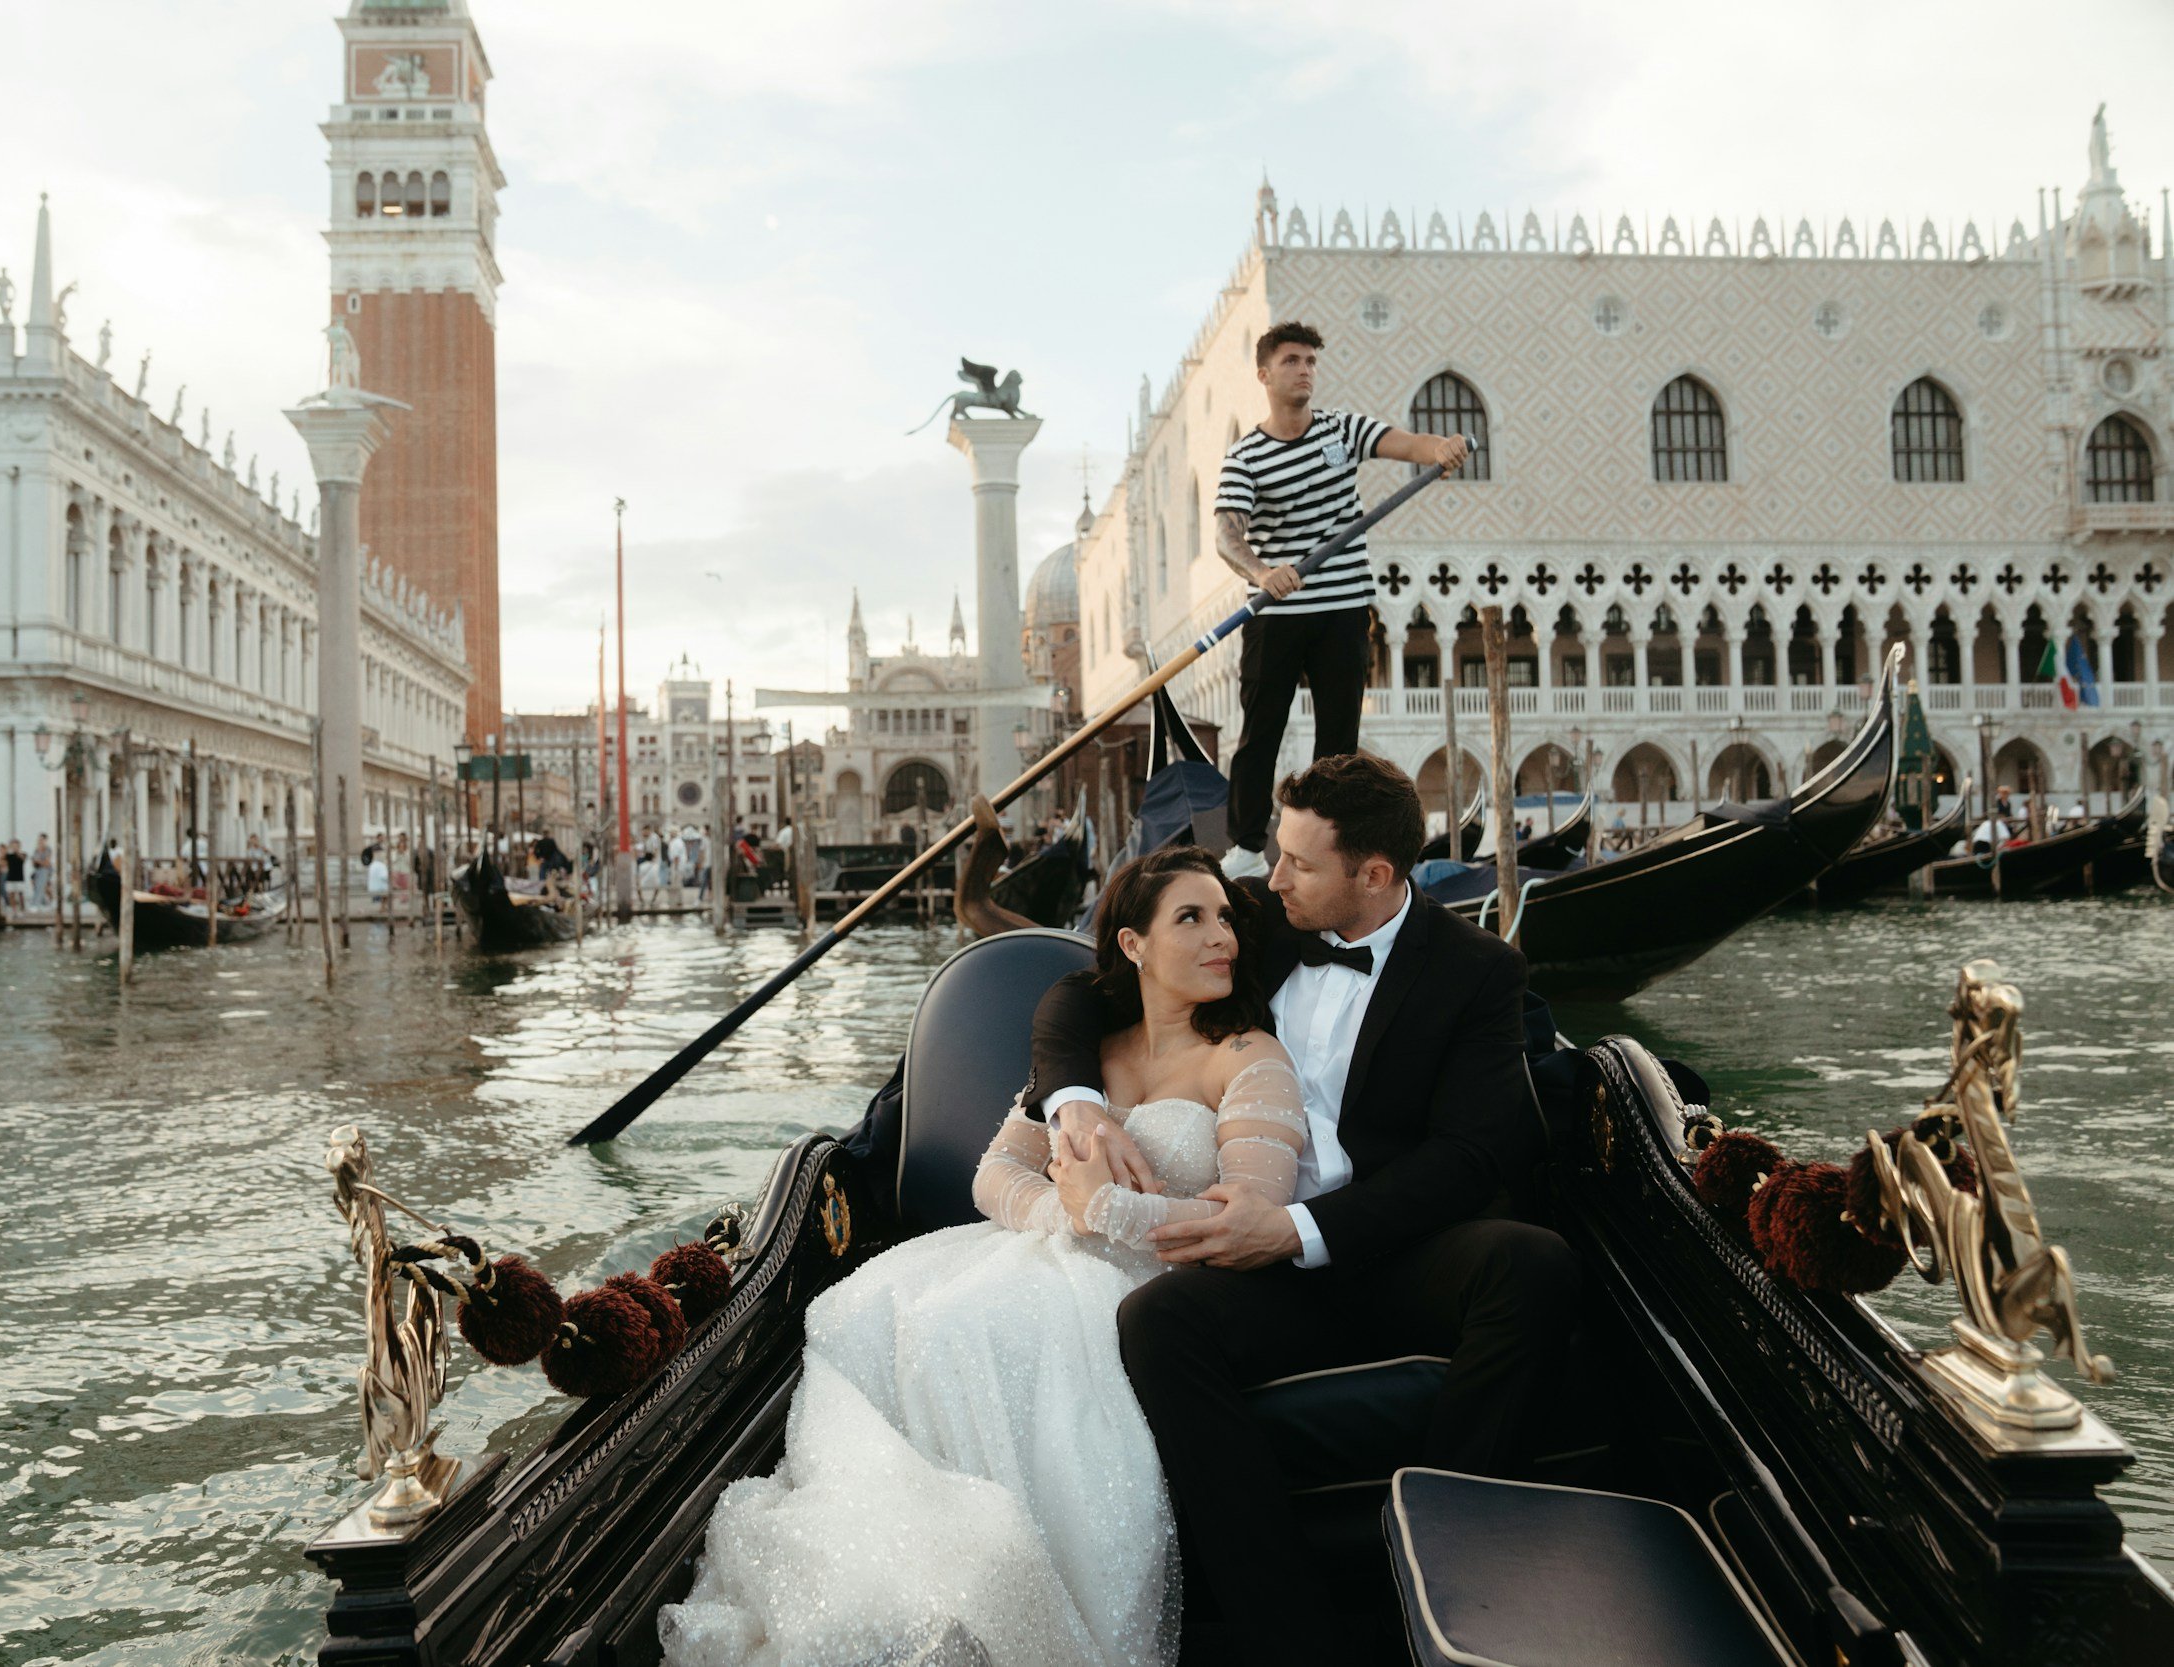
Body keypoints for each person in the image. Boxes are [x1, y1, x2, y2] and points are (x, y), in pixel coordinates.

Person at [661, 847, 1305, 1667]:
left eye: (1225, 918)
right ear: (1135, 944)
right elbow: (994, 1172)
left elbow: (1245, 1217)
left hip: (1157, 1289)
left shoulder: (1250, 1058)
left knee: (978, 1333)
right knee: (882, 1314)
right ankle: (913, 1584)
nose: (1222, 936)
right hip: (1044, 1252)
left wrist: (1105, 1209)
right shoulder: (1090, 1052)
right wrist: (1061, 1215)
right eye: (1193, 917)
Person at [1027, 752, 1575, 1660]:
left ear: (1374, 875)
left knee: (1533, 1264)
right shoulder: (1263, 921)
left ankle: (1454, 1575)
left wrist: (1296, 1228)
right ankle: (1290, 1639)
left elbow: (1475, 1154)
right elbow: (1071, 994)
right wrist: (1072, 1100)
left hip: (1392, 1245)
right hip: (1264, 1259)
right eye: (1273, 854)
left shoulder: (1478, 972)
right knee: (1157, 1318)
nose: (1269, 878)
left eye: (1297, 862)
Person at [1215, 321, 1470, 879]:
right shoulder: (1246, 457)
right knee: (1260, 735)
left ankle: (1322, 844)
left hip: (1342, 609)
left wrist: (1441, 449)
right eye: (1291, 361)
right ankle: (1247, 849)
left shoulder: (1342, 430)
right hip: (1279, 610)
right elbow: (1227, 535)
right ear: (1264, 374)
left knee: (1338, 743)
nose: (1304, 369)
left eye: (1310, 360)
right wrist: (1261, 572)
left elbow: (1407, 444)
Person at [30, 834, 53, 910]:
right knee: (37, 887)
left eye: (42, 839)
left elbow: (47, 863)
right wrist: (38, 861)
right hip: (37, 870)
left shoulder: (47, 849)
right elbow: (34, 863)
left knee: (41, 886)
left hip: (45, 870)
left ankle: (35, 904)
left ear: (45, 840)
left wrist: (38, 861)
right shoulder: (36, 850)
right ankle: (46, 903)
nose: (40, 841)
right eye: (39, 839)